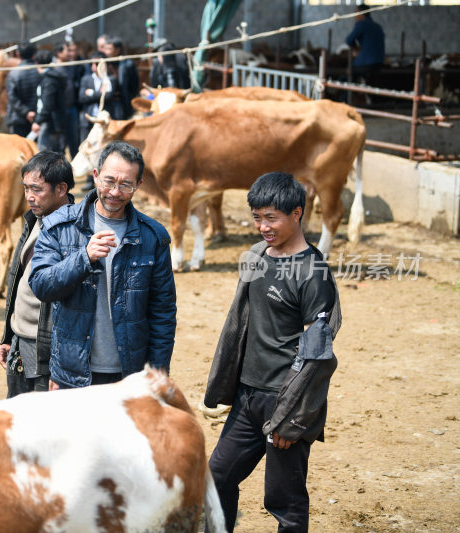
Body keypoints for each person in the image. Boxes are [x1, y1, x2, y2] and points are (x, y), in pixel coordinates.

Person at [204, 172, 341, 533]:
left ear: (297, 213)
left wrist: (292, 415)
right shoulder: (255, 257)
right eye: (256, 217)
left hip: (285, 401)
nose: (262, 226)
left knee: (285, 500)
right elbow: (241, 324)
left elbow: (317, 354)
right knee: (216, 477)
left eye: (271, 218)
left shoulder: (313, 272)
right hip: (248, 397)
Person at [28, 141, 176, 389]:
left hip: (129, 376)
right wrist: (83, 258)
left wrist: (158, 376)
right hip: (72, 374)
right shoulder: (58, 225)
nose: (115, 192)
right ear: (95, 176)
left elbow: (162, 313)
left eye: (126, 184)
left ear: (138, 185)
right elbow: (41, 286)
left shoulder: (153, 236)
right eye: (109, 181)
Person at [0, 151, 75, 397]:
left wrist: (61, 365)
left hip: (46, 351)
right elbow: (17, 281)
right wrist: (9, 336)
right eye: (26, 188)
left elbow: (74, 307)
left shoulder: (74, 234)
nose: (29, 197)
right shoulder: (35, 220)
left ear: (61, 189)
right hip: (21, 342)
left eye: (37, 189)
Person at [77, 51, 119, 191]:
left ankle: (105, 178)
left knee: (105, 151)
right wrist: (98, 93)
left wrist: (92, 93)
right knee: (89, 149)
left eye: (98, 63)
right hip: (89, 120)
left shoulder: (110, 79)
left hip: (104, 124)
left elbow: (108, 95)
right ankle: (90, 179)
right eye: (93, 63)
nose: (95, 66)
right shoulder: (86, 79)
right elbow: (82, 97)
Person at [32, 50, 66, 153]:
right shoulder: (52, 77)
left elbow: (47, 103)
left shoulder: (49, 80)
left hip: (49, 121)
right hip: (52, 119)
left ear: (37, 63)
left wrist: (38, 121)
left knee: (45, 152)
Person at [5, 41, 40, 137]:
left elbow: (12, 97)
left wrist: (26, 112)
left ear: (18, 54)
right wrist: (32, 112)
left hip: (18, 118)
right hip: (37, 119)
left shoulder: (13, 74)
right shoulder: (39, 72)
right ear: (34, 54)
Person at [55, 40, 83, 158]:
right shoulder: (53, 67)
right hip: (58, 110)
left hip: (72, 108)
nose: (70, 54)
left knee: (74, 139)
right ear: (59, 53)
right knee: (60, 141)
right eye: (67, 50)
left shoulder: (73, 66)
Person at [345, 3, 385, 82]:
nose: (354, 16)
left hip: (366, 63)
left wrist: (356, 48)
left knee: (348, 73)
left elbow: (349, 40)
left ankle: (347, 93)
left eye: (356, 13)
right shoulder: (378, 26)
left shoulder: (361, 24)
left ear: (361, 14)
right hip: (379, 64)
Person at [103, 36, 139, 118]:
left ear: (117, 50)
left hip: (121, 103)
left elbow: (134, 86)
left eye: (109, 49)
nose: (106, 52)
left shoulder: (128, 65)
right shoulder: (103, 64)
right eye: (105, 49)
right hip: (106, 103)